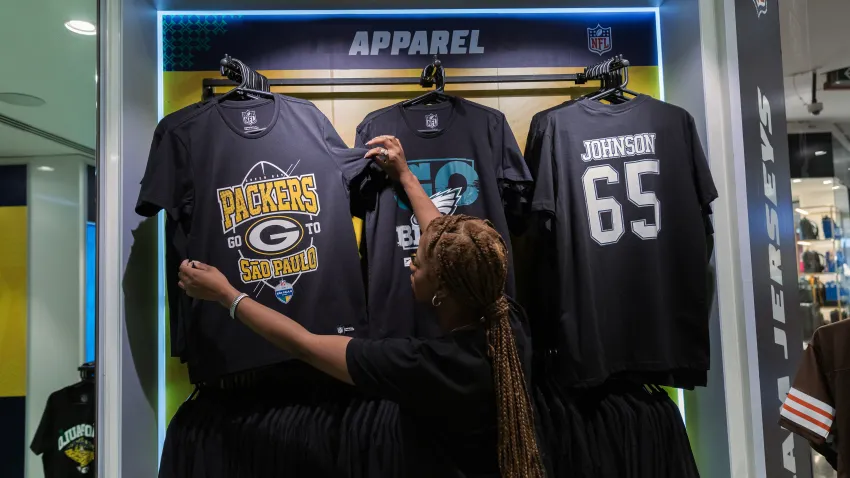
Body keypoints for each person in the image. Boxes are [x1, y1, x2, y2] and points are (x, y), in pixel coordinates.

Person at [178, 135, 546, 478]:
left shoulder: (425, 365)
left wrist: (227, 295)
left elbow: (303, 344)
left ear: (443, 291)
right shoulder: (507, 317)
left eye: (418, 262)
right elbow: (443, 235)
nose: (411, 263)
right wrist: (404, 175)